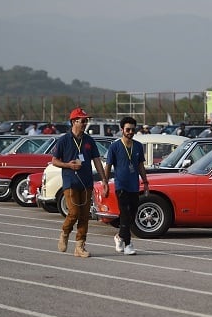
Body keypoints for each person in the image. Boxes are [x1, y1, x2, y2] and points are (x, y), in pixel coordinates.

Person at [52, 107, 108, 258]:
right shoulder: (64, 140)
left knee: (84, 216)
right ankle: (65, 232)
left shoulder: (89, 140)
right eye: (82, 121)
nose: (84, 123)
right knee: (74, 212)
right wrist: (68, 165)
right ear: (73, 122)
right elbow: (54, 161)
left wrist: (104, 180)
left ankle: (79, 246)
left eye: (86, 121)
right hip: (70, 182)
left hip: (86, 182)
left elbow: (97, 161)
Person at [105, 116, 149, 255]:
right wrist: (105, 182)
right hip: (121, 185)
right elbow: (108, 166)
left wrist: (145, 182)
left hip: (134, 186)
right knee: (124, 213)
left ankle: (120, 236)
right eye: (127, 129)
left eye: (132, 130)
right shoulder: (115, 146)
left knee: (132, 214)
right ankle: (128, 244)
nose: (130, 132)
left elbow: (140, 165)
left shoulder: (137, 146)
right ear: (122, 129)